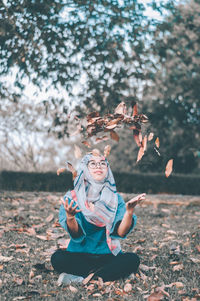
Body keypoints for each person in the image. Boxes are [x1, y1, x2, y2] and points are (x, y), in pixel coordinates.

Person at [51, 150, 146, 284]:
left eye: (102, 163)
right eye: (93, 164)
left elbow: (121, 232)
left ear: (107, 169)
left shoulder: (115, 199)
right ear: (84, 168)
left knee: (132, 259)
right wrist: (70, 217)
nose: (98, 167)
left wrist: (129, 211)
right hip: (79, 255)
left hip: (108, 256)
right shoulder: (72, 197)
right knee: (57, 258)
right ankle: (104, 275)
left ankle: (82, 278)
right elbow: (76, 234)